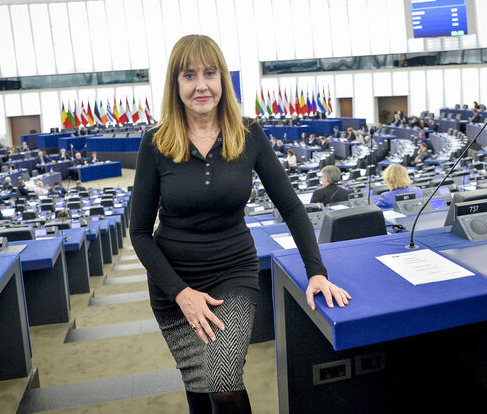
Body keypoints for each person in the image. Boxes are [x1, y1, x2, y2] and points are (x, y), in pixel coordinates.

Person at [129, 35, 349, 414]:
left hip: (233, 272)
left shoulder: (249, 133)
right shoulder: (155, 142)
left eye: (210, 73)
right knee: (199, 386)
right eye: (189, 75)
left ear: (223, 81)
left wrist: (317, 272)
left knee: (223, 381)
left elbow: (293, 207)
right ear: (175, 84)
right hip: (173, 284)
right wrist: (181, 293)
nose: (201, 85)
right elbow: (139, 232)